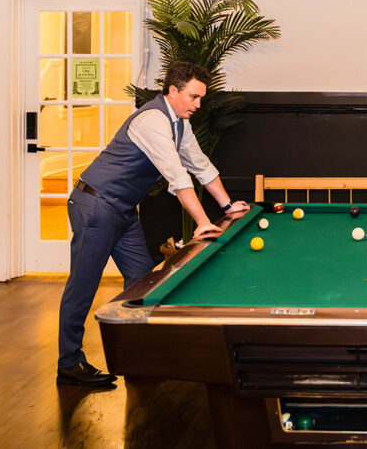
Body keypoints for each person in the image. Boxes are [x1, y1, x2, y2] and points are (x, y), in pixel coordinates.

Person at [56, 61, 249, 387]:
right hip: (96, 205)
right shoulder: (152, 120)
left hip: (123, 209)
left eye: (201, 98)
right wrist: (202, 222)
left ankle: (136, 359)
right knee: (83, 286)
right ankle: (69, 364)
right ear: (173, 91)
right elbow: (178, 176)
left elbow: (199, 164)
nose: (198, 105)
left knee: (142, 280)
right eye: (193, 97)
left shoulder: (179, 122)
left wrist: (227, 205)